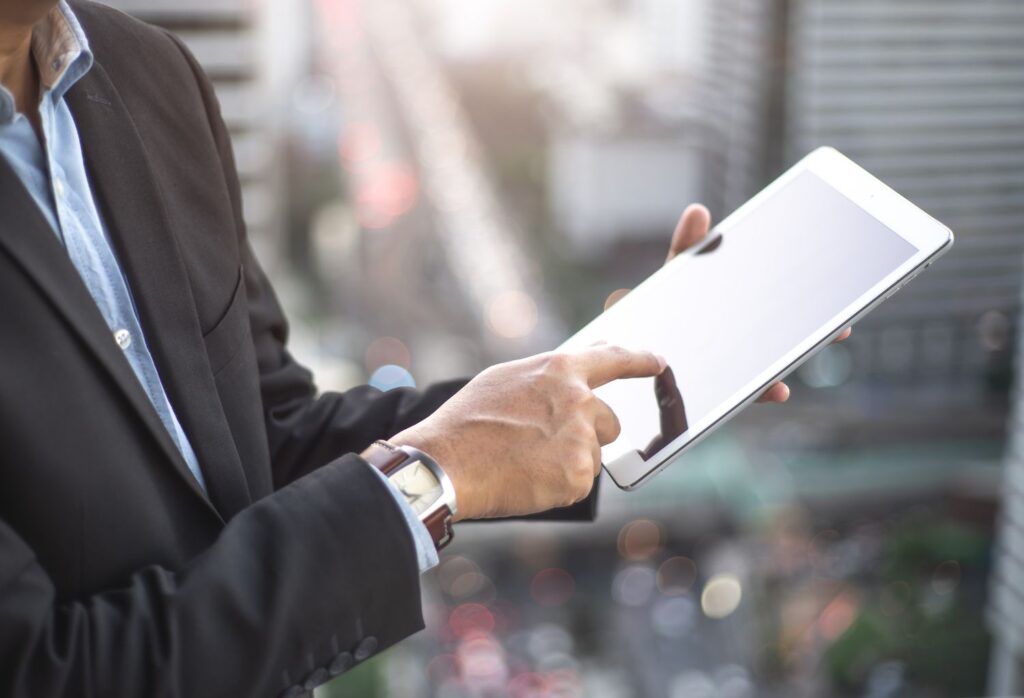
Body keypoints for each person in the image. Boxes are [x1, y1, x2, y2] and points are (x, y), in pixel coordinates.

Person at [0, 2, 837, 696]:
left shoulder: (145, 72)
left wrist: (604, 381)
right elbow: (49, 672)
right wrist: (429, 480)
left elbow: (266, 433)